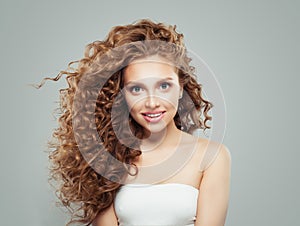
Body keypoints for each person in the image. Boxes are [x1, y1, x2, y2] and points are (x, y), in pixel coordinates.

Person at [36, 19, 231, 226]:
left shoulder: (212, 157)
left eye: (164, 86)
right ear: (121, 95)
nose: (152, 102)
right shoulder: (107, 155)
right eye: (136, 89)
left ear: (181, 86)